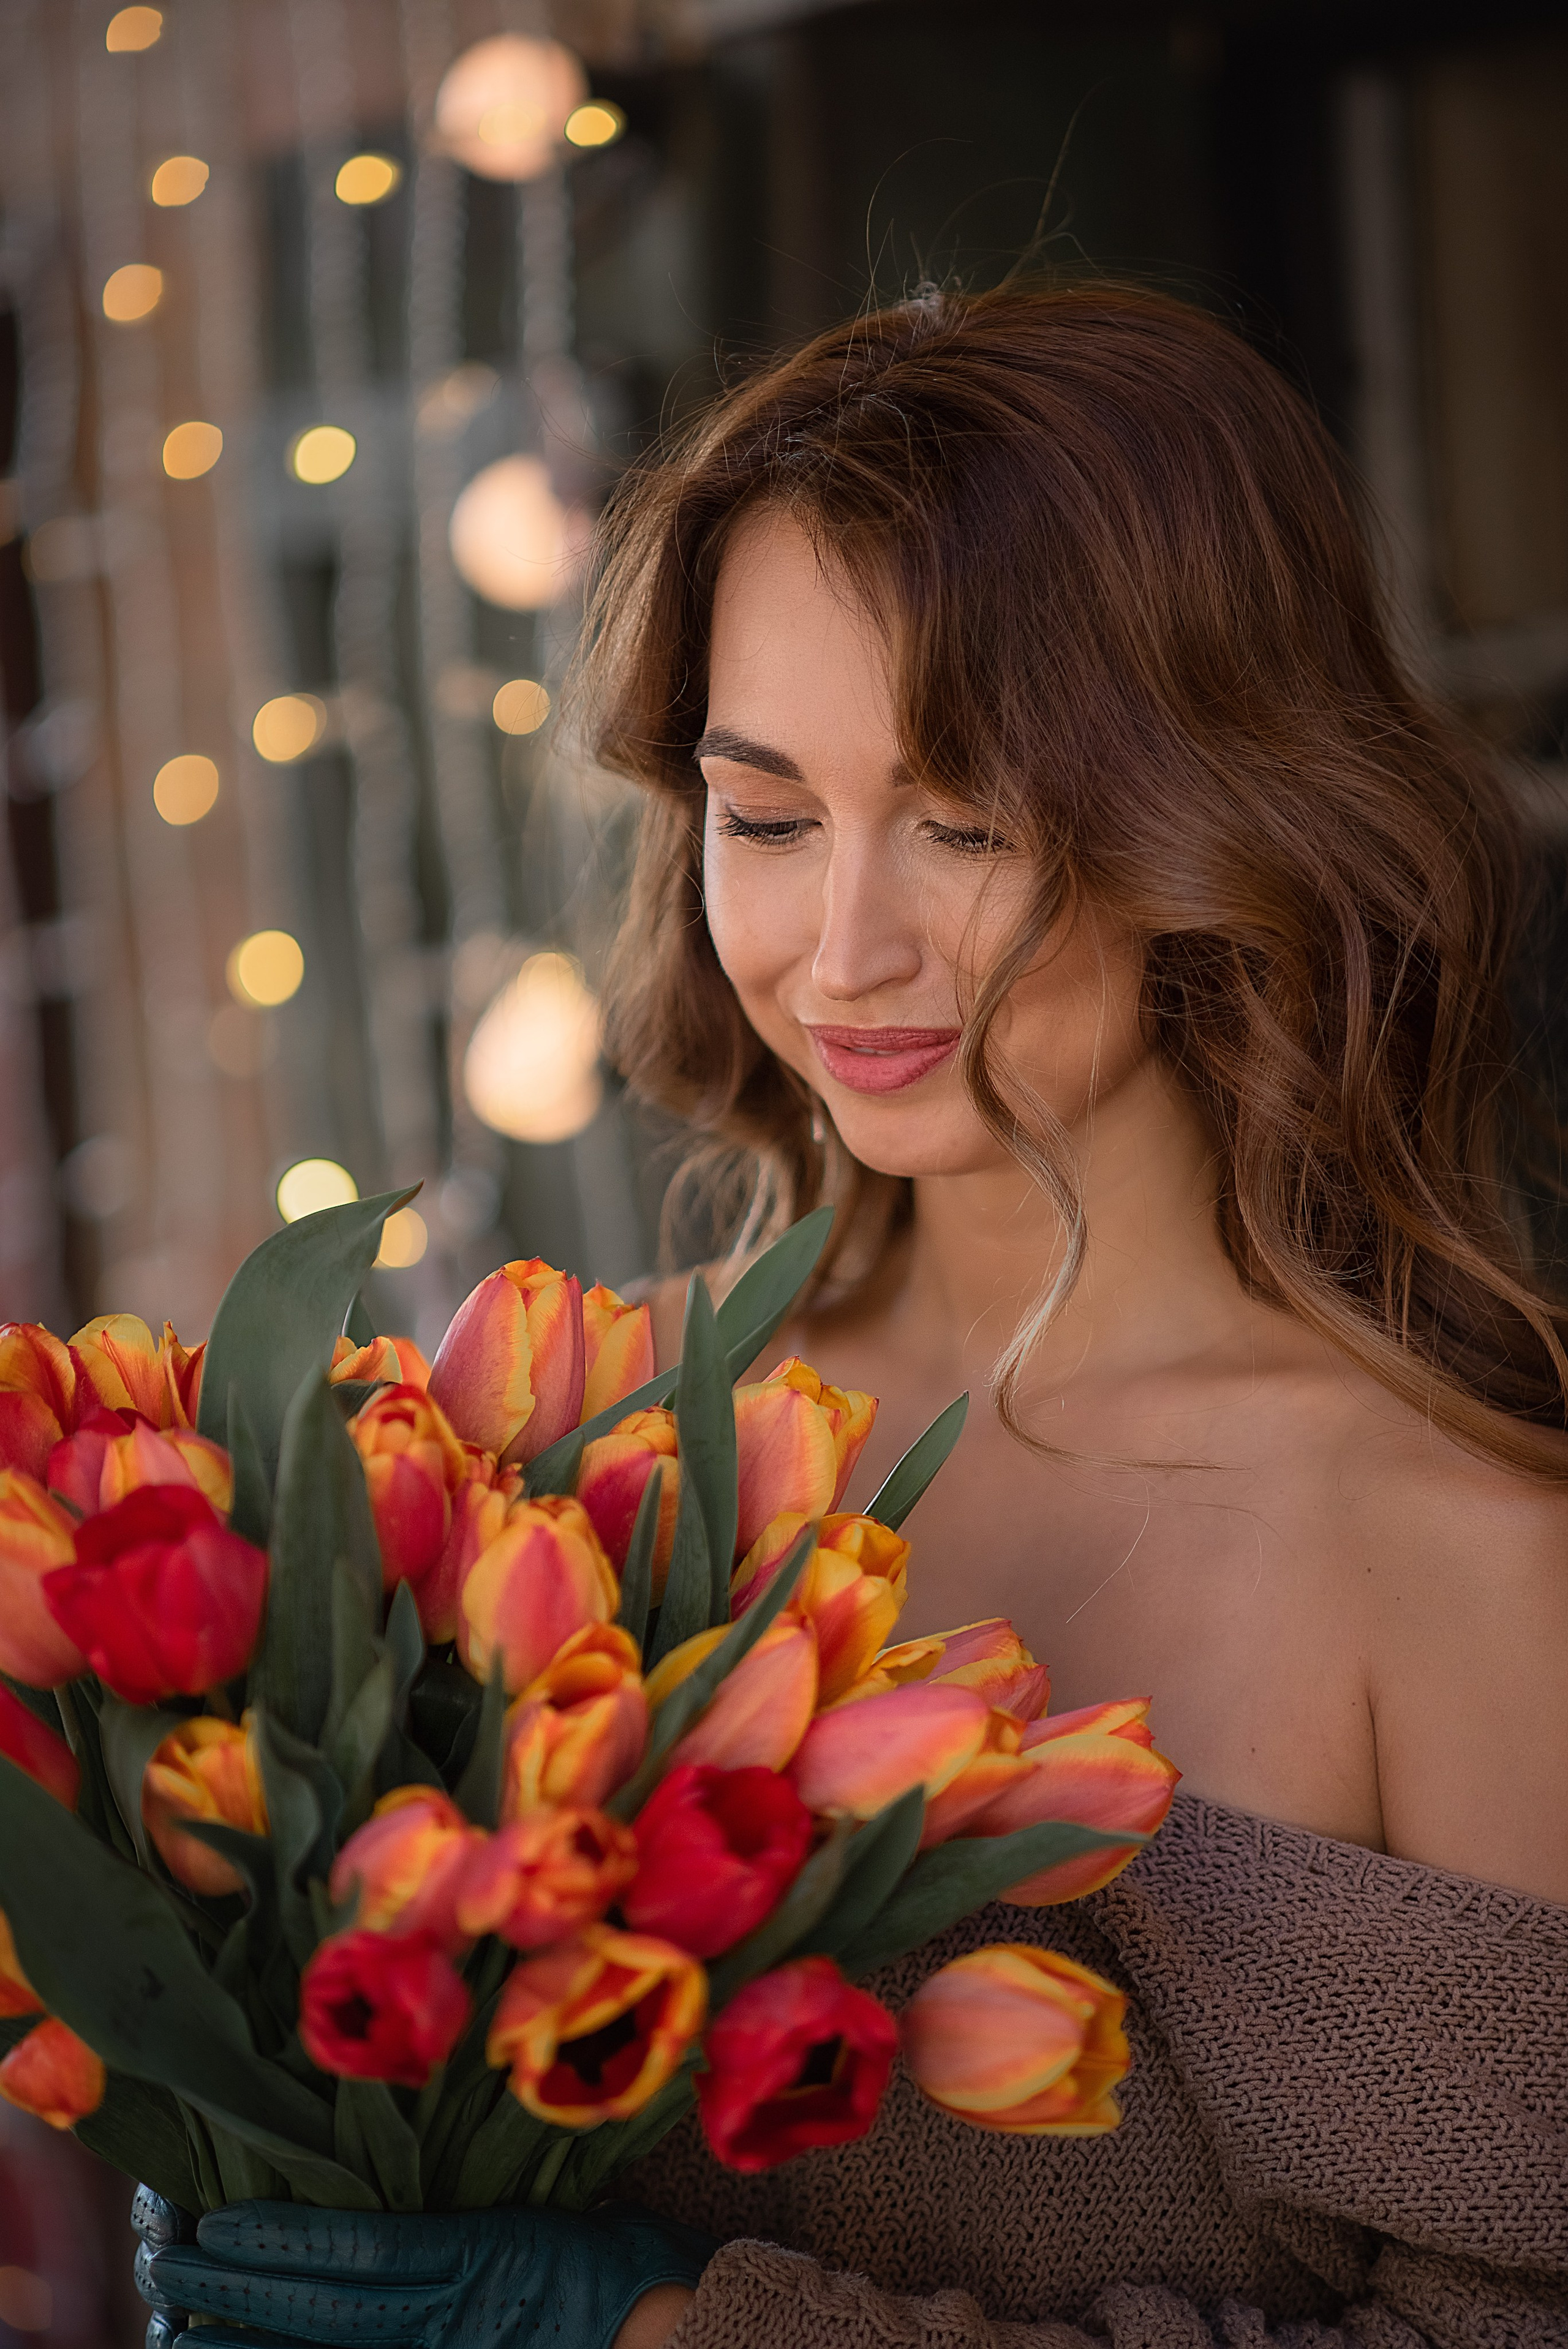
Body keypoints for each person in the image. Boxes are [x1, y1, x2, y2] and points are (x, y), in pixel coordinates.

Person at [141, 286, 1568, 2348]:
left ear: (1215, 806)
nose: (847, 948)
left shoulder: (1460, 1553)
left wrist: (659, 2335)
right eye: (772, 818)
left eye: (970, 818)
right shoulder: (565, 1443)